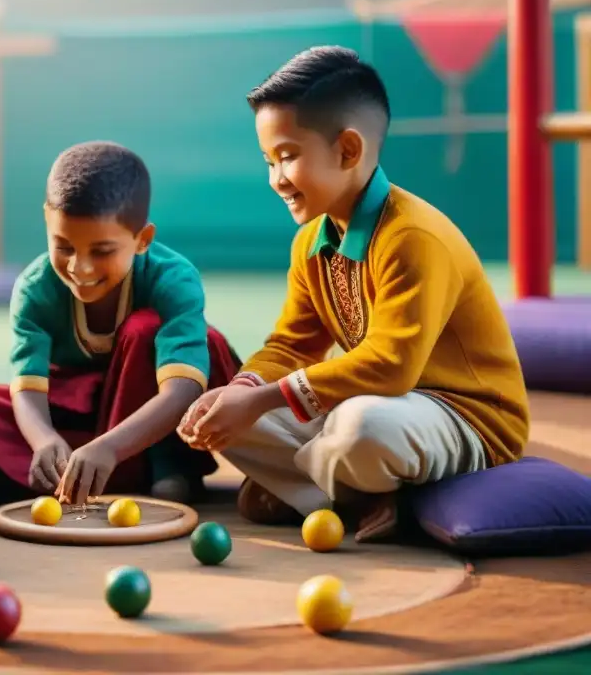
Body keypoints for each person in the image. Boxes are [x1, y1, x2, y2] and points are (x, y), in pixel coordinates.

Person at [179, 46, 530, 542]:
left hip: (465, 416)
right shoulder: (310, 242)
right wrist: (241, 393)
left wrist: (263, 400)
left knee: (360, 427)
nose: (276, 179)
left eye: (288, 157)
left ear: (347, 150)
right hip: (381, 405)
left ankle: (317, 491)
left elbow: (392, 365)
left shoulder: (413, 237)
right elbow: (291, 345)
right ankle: (350, 492)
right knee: (229, 416)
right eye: (268, 161)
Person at [0, 141, 241, 512]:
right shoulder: (35, 289)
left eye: (101, 251)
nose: (80, 268)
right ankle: (90, 475)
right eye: (64, 246)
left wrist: (110, 447)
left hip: (154, 427)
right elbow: (29, 389)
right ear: (47, 221)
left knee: (162, 333)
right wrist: (44, 440)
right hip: (83, 410)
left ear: (142, 240)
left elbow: (182, 391)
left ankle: (13, 481)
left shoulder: (173, 279)